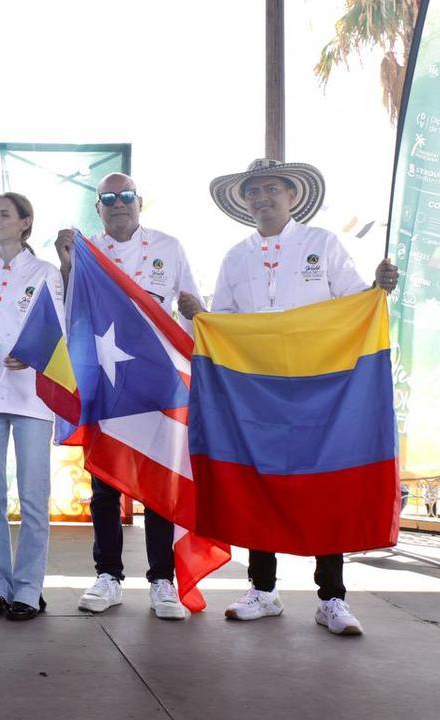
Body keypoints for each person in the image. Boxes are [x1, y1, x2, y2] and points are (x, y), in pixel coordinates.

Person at [178, 157, 400, 636]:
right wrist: (200, 315)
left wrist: (380, 289)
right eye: (253, 191)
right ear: (244, 201)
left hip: (321, 389)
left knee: (325, 481)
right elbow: (225, 322)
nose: (262, 198)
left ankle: (332, 598)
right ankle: (263, 589)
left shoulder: (323, 244)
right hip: (256, 393)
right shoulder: (236, 255)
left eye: (271, 189)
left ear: (292, 195)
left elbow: (356, 303)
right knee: (261, 481)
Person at [55, 172, 201, 621]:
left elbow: (191, 307)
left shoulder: (169, 246)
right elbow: (70, 308)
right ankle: (109, 576)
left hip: (159, 383)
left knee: (160, 484)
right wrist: (65, 262)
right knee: (105, 482)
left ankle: (162, 580)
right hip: (107, 381)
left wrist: (200, 336)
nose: (119, 204)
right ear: (99, 209)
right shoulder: (88, 251)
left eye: (127, 197)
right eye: (109, 199)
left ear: (140, 202)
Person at [0, 194, 63, 621]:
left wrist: (32, 353)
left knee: (33, 497)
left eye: (4, 214)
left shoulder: (45, 273)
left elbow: (58, 327)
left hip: (31, 397)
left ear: (25, 223)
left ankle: (28, 588)